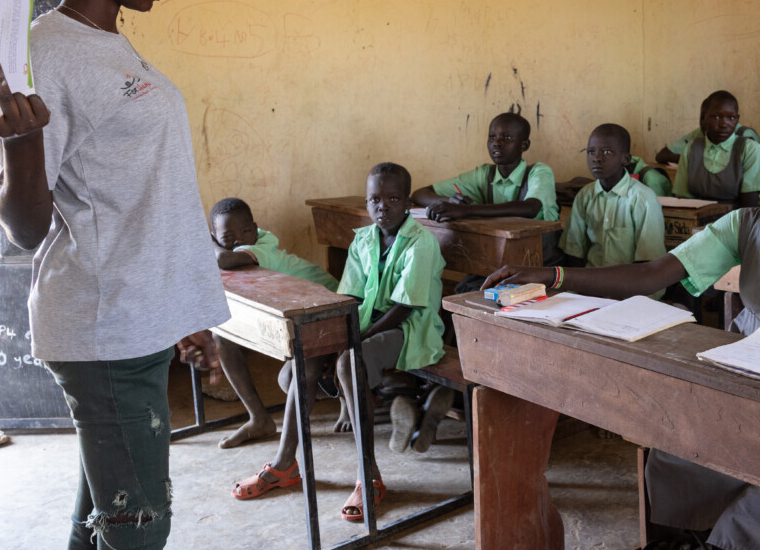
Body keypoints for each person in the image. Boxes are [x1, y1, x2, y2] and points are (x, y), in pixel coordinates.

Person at [0, 0, 221, 550]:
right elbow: (23, 225)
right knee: (136, 535)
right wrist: (20, 149)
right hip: (101, 328)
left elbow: (137, 195)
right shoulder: (48, 53)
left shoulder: (107, 40)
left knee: (103, 519)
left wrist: (186, 312)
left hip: (133, 321)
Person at [483, 123, 760, 550]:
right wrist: (553, 276)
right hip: (743, 357)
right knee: (679, 432)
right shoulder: (744, 224)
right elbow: (653, 273)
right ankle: (712, 541)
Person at [233, 163, 444, 518]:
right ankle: (285, 463)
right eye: (375, 199)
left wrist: (354, 341)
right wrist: (337, 339)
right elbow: (349, 300)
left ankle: (368, 476)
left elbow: (404, 309)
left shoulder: (420, 242)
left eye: (393, 199)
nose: (383, 207)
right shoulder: (363, 239)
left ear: (408, 202)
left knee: (349, 362)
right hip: (363, 326)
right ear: (367, 201)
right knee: (309, 356)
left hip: (410, 331)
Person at [205, 197, 337, 449]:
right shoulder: (231, 246)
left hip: (326, 302)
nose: (239, 239)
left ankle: (339, 405)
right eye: (228, 236)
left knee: (298, 368)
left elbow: (224, 261)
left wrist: (209, 242)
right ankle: (259, 418)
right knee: (222, 335)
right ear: (216, 235)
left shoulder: (262, 244)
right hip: (293, 306)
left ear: (255, 229)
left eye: (245, 231)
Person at [411, 112, 558, 223]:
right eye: (492, 137)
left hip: (541, 255)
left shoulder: (539, 172)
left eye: (507, 138)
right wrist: (450, 202)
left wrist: (465, 210)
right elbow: (419, 194)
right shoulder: (485, 174)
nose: (497, 143)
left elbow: (530, 208)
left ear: (524, 145)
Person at [560, 124, 666, 276]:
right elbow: (574, 252)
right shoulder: (585, 196)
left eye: (607, 152)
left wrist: (621, 293)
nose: (596, 158)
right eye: (591, 152)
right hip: (592, 286)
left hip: (633, 287)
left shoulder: (643, 199)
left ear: (626, 159)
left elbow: (647, 262)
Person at [654, 90, 760, 205]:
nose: (723, 124)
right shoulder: (691, 148)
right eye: (716, 117)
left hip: (735, 220)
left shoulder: (751, 150)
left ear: (737, 119)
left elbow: (748, 207)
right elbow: (684, 201)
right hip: (697, 219)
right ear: (704, 118)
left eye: (731, 118)